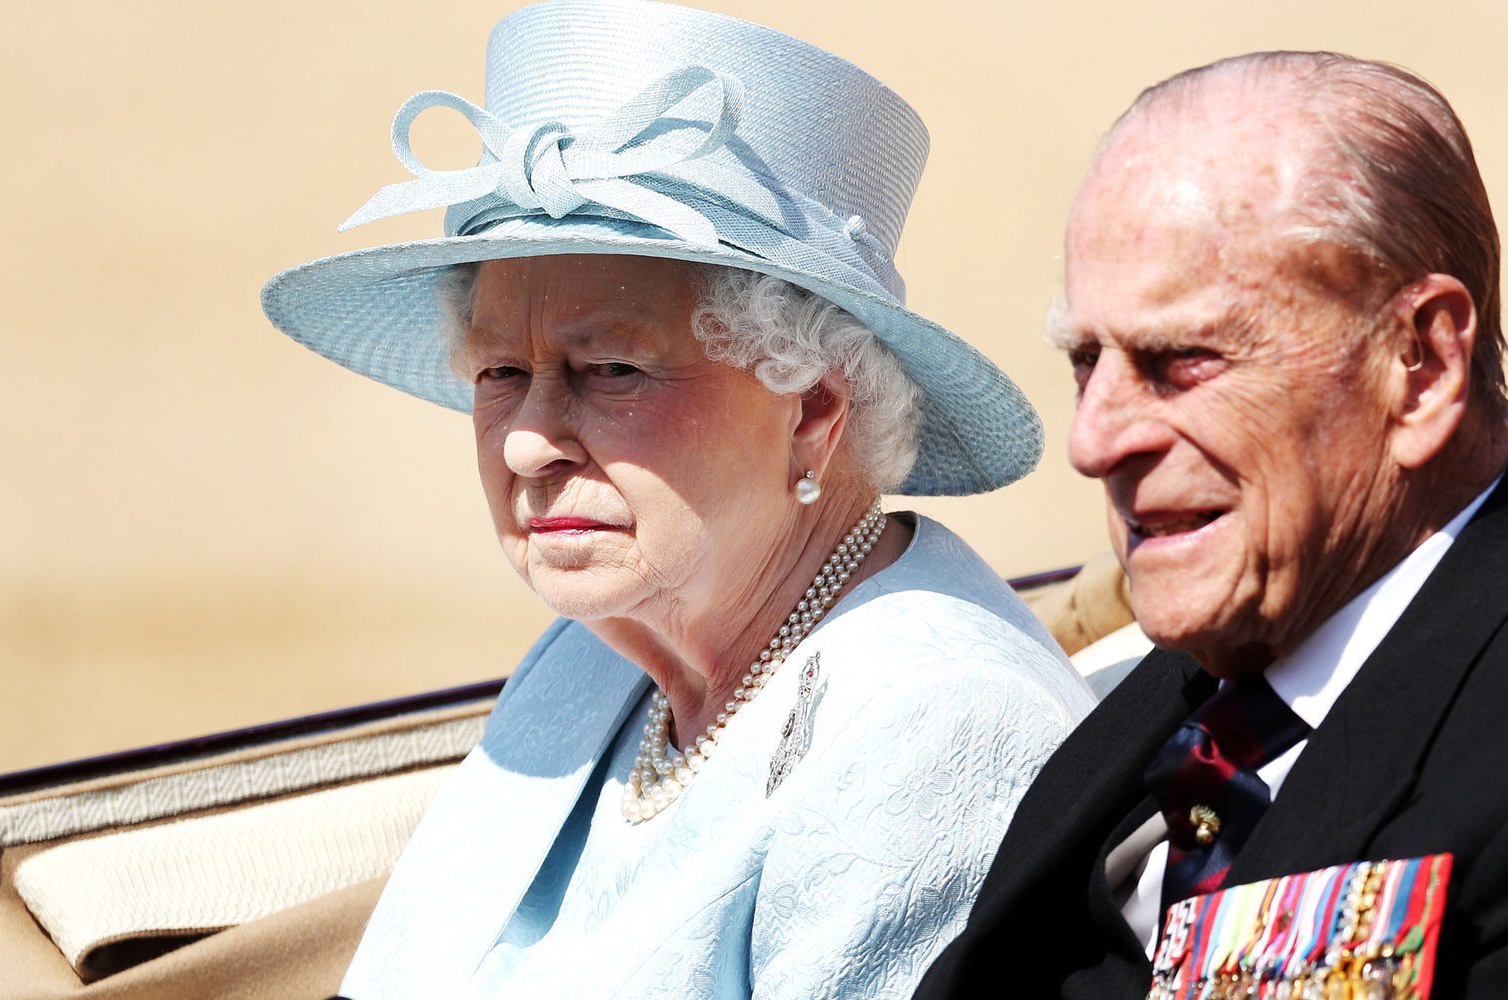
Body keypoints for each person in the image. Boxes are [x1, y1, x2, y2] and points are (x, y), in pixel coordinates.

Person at [916, 51, 1508, 999]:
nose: (1093, 441)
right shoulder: (1209, 666)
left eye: (1181, 360)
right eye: (1086, 361)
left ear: (1418, 366)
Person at [259, 2, 1094, 996]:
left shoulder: (934, 723)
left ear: (810, 408)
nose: (526, 441)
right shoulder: (596, 653)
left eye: (610, 368)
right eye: (496, 373)